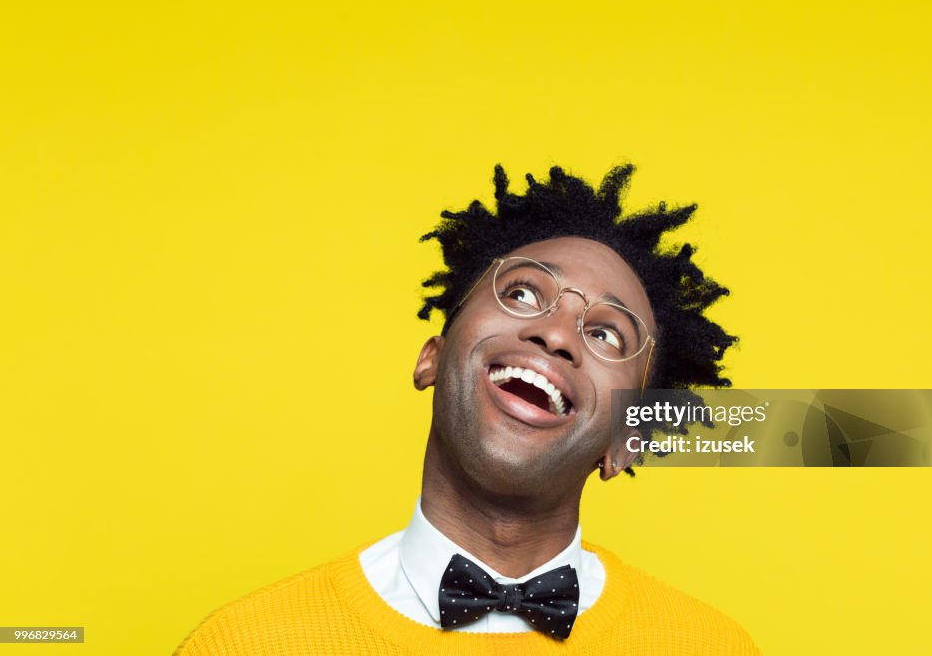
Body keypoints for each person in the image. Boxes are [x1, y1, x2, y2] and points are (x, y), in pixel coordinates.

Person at [175, 165, 760, 655]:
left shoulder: (710, 646)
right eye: (523, 293)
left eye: (606, 335)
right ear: (432, 357)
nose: (556, 335)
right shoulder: (245, 642)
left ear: (625, 443)